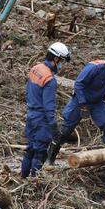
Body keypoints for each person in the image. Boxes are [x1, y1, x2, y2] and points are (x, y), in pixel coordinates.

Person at [48, 47, 105, 163]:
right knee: (65, 130)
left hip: (97, 102)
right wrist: (83, 104)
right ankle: (50, 158)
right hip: (79, 100)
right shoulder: (95, 67)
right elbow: (79, 84)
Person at [21, 42, 71, 177]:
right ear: (56, 59)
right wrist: (53, 126)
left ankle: (23, 178)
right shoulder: (50, 80)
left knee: (30, 149)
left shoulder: (35, 69)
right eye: (62, 61)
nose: (62, 65)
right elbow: (49, 107)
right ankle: (33, 181)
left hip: (31, 114)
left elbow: (27, 92)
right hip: (41, 119)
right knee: (40, 152)